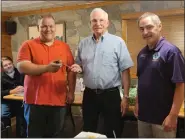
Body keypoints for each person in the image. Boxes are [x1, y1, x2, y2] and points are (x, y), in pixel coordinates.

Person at [70, 8, 133, 138]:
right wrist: (79, 68)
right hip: (90, 95)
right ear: (90, 23)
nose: (97, 23)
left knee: (113, 130)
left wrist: (125, 97)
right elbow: (80, 66)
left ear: (107, 23)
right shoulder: (83, 43)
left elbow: (125, 71)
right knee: (88, 130)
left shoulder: (118, 42)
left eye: (101, 20)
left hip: (111, 95)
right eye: (94, 20)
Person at [16, 15, 76, 137]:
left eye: (51, 26)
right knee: (34, 135)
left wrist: (71, 92)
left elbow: (71, 70)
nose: (48, 29)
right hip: (34, 101)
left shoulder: (64, 47)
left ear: (55, 28)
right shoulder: (28, 45)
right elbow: (22, 67)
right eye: (44, 26)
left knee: (56, 135)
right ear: (39, 28)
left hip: (58, 100)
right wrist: (46, 68)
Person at [134, 12, 185, 138]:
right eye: (142, 29)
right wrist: (137, 103)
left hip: (163, 119)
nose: (145, 32)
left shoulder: (171, 52)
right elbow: (141, 81)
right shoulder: (141, 54)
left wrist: (173, 116)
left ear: (159, 26)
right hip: (143, 117)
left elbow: (180, 85)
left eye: (149, 27)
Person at [1, 56, 27, 137]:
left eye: (10, 64)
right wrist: (12, 91)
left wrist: (24, 88)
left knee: (22, 115)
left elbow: (28, 85)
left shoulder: (21, 73)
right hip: (6, 101)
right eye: (5, 65)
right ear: (2, 67)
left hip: (19, 100)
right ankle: (6, 135)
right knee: (3, 115)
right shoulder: (1, 77)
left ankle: (21, 136)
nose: (8, 66)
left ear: (13, 64)